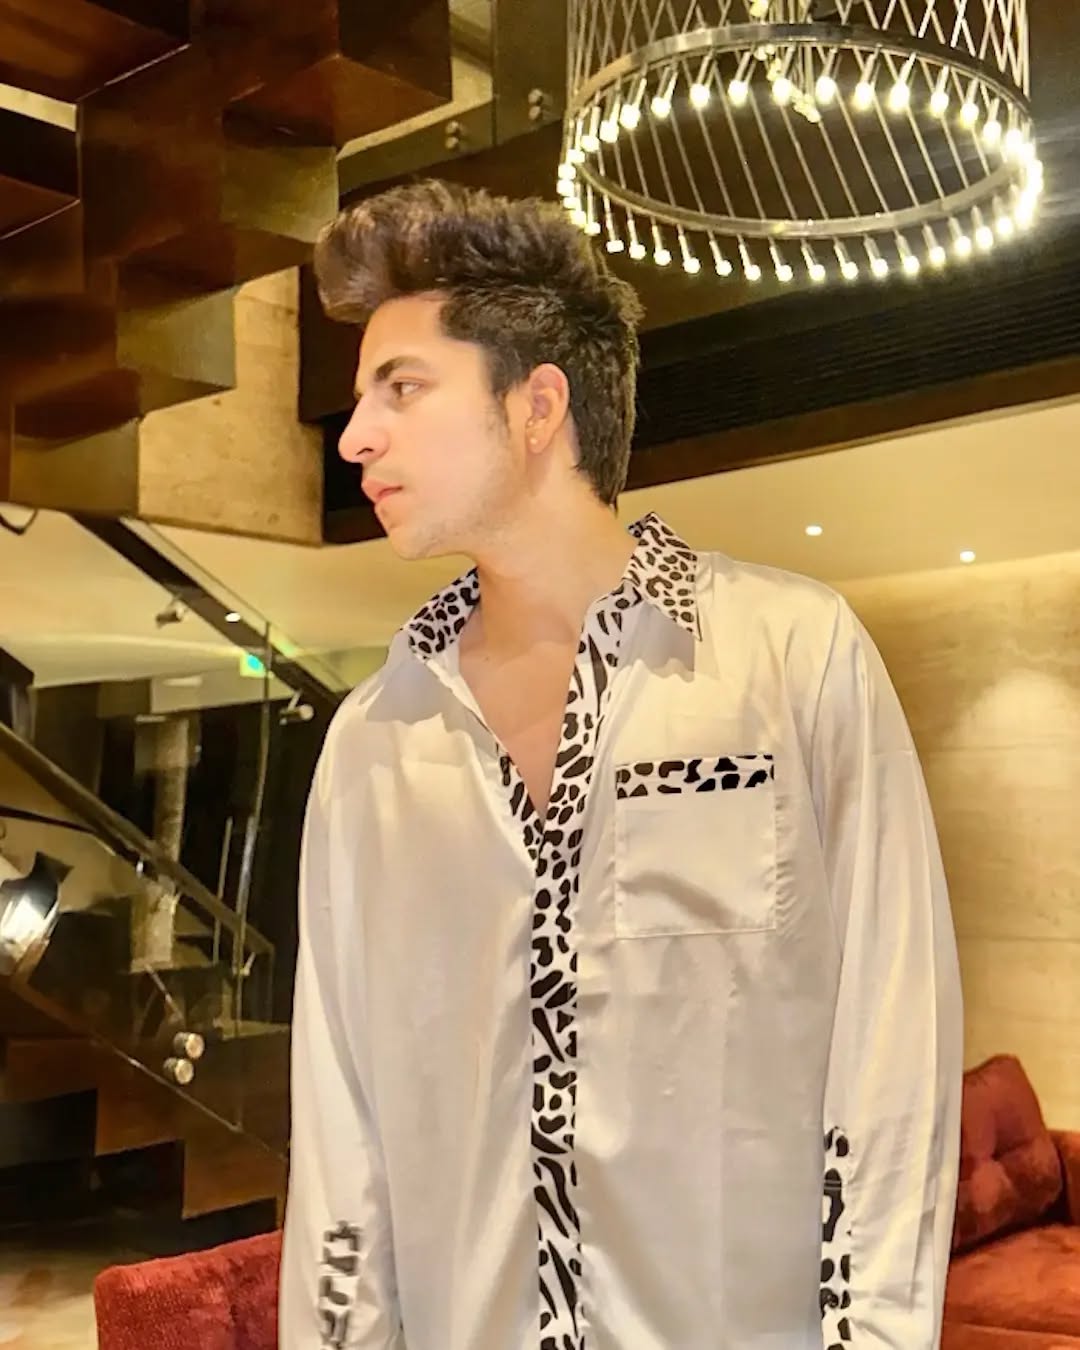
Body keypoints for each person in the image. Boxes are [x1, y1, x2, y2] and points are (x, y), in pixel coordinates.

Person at [279, 180, 963, 1350]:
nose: (354, 438)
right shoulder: (374, 740)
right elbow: (343, 1125)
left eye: (402, 387)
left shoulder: (791, 656)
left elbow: (891, 1051)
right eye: (360, 398)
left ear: (537, 405)